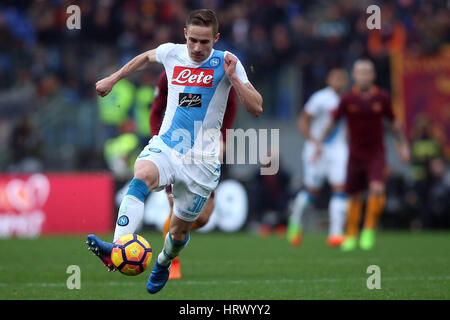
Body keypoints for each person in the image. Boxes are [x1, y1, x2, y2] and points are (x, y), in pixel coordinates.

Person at [87, 9, 263, 294]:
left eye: (204, 42)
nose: (197, 47)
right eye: (193, 39)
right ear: (185, 34)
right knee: (141, 173)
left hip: (203, 162)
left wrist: (235, 79)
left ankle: (163, 262)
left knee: (179, 231)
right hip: (168, 145)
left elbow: (256, 108)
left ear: (215, 39)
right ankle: (118, 246)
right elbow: (145, 57)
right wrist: (113, 78)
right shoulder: (172, 53)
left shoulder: (228, 62)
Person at [149, 70, 237, 279]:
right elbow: (155, 112)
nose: (198, 49)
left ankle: (174, 233)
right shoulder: (170, 74)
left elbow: (231, 105)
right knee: (175, 208)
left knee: (204, 217)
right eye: (193, 42)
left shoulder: (218, 74)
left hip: (206, 153)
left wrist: (223, 137)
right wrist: (159, 144)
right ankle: (171, 261)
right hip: (175, 151)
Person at [317, 59, 410, 251]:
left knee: (376, 189)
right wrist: (319, 143)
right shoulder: (348, 100)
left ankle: (368, 229)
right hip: (355, 155)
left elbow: (394, 123)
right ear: (354, 76)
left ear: (373, 76)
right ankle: (351, 234)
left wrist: (403, 146)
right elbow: (332, 123)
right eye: (360, 72)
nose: (364, 76)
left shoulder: (382, 98)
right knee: (354, 196)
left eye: (367, 72)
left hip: (376, 154)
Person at [287, 68, 350, 247]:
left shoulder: (348, 99)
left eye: (342, 78)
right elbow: (302, 121)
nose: (339, 81)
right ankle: (295, 222)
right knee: (311, 191)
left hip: (338, 150)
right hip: (317, 149)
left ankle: (336, 234)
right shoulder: (320, 98)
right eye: (336, 77)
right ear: (329, 80)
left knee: (340, 188)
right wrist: (314, 143)